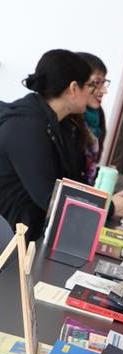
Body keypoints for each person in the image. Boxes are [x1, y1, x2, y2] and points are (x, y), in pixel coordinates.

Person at [0, 49, 90, 240]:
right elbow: (49, 197)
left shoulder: (58, 123)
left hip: (30, 232)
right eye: (89, 86)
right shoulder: (25, 126)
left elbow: (70, 181)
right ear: (74, 88)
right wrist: (109, 208)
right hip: (12, 241)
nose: (93, 92)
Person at [74, 52, 123, 217]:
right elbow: (72, 181)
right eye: (96, 83)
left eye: (104, 83)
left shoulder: (97, 115)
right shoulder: (68, 120)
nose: (104, 90)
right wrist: (109, 207)